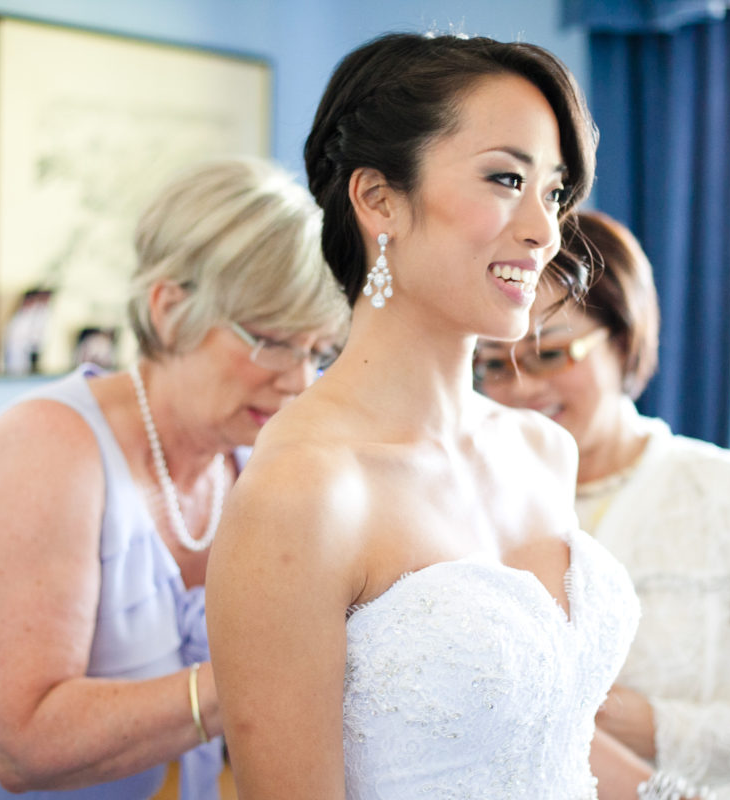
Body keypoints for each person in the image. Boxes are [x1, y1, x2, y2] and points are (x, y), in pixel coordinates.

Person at [204, 31, 652, 800]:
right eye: (506, 178)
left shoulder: (543, 450)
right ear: (379, 199)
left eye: (552, 192)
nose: (546, 231)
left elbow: (545, 734)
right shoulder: (304, 493)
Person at [0, 156, 348, 800]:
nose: (300, 380)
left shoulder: (248, 462)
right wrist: (266, 675)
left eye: (319, 352)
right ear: (169, 309)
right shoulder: (46, 450)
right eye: (273, 341)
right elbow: (23, 746)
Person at [475, 209, 730, 799]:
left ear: (623, 338)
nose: (521, 389)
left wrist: (655, 726)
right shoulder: (472, 500)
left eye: (551, 353)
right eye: (495, 367)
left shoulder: (724, 492)